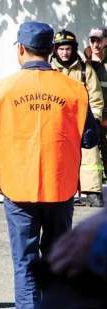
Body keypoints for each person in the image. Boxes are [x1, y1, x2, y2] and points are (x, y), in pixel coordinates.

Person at [0, 21, 100, 309]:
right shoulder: (74, 89)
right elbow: (90, 138)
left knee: (25, 263)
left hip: (17, 188)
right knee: (58, 262)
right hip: (60, 187)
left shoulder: (1, 89)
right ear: (51, 51)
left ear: (20, 49)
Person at [51, 29, 105, 207]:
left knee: (90, 156)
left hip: (81, 122)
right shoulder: (48, 70)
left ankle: (93, 192)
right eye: (61, 49)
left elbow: (96, 99)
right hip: (54, 124)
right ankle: (56, 192)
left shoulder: (85, 70)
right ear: (55, 50)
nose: (64, 52)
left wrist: (94, 121)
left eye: (67, 49)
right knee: (55, 158)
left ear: (73, 49)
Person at [84, 26, 107, 185]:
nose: (96, 44)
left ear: (106, 41)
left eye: (99, 40)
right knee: (88, 156)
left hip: (105, 119)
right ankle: (91, 189)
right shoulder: (82, 60)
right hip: (87, 117)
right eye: (93, 40)